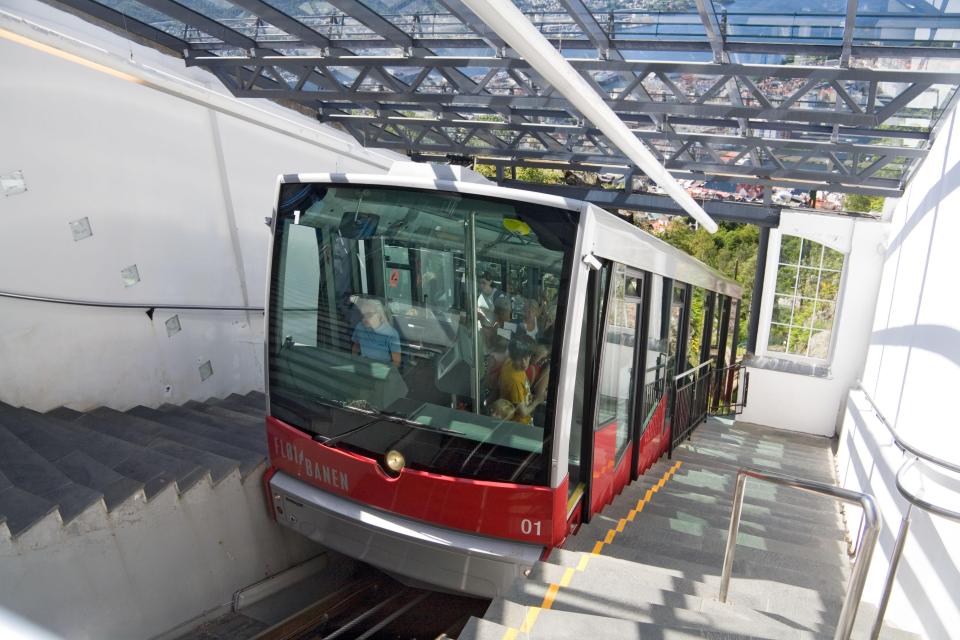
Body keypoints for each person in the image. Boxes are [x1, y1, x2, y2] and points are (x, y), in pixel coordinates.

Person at [351, 299, 401, 367]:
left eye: (369, 314)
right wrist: (354, 362)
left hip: (382, 368)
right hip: (364, 366)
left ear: (379, 315)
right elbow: (356, 346)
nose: (365, 318)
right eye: (363, 315)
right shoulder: (360, 327)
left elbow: (396, 361)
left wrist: (385, 371)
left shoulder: (391, 333)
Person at [499, 337, 537, 425]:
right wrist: (537, 401)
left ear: (530, 355)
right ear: (512, 358)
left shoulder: (509, 363)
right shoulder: (515, 381)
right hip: (520, 423)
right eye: (519, 359)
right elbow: (523, 412)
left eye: (526, 358)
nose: (524, 363)